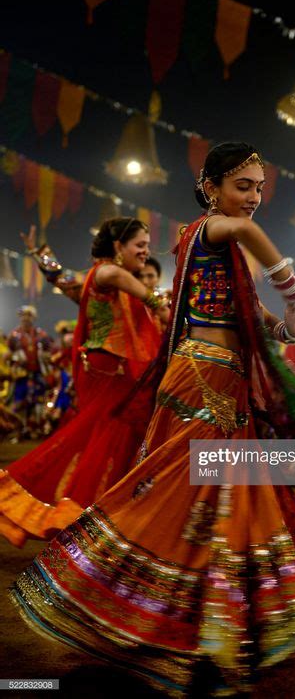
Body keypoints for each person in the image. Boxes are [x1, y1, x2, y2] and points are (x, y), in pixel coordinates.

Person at [11, 142, 295, 696]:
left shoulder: (224, 251)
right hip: (200, 378)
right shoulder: (211, 230)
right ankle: (119, 604)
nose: (254, 198)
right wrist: (293, 284)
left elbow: (259, 323)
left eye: (260, 188)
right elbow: (249, 239)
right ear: (210, 187)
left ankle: (208, 628)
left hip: (221, 380)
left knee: (219, 501)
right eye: (243, 186)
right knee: (180, 495)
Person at [0, 217, 163, 547]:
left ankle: (116, 519)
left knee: (112, 447)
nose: (145, 255)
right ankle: (93, 519)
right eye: (140, 246)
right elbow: (74, 279)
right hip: (118, 378)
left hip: (142, 380)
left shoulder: (133, 295)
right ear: (118, 247)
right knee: (101, 444)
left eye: (148, 248)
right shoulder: (110, 280)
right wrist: (40, 255)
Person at [7, 305, 53, 439]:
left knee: (38, 401)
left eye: (29, 316)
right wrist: (10, 357)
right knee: (19, 402)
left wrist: (46, 356)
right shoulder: (14, 336)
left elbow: (49, 350)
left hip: (38, 373)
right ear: (20, 318)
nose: (26, 319)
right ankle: (19, 430)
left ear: (33, 318)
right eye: (23, 316)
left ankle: (36, 428)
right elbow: (8, 352)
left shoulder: (41, 335)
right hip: (21, 374)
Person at [136, 256, 171, 330]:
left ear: (158, 277)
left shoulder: (168, 302)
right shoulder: (128, 302)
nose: (145, 281)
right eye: (140, 276)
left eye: (150, 276)